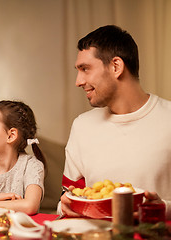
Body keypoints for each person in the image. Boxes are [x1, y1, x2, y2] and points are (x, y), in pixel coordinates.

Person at [58, 25, 171, 219]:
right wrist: (65, 206)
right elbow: (68, 198)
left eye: (85, 69)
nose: (78, 81)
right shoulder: (82, 126)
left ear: (116, 66)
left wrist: (162, 209)